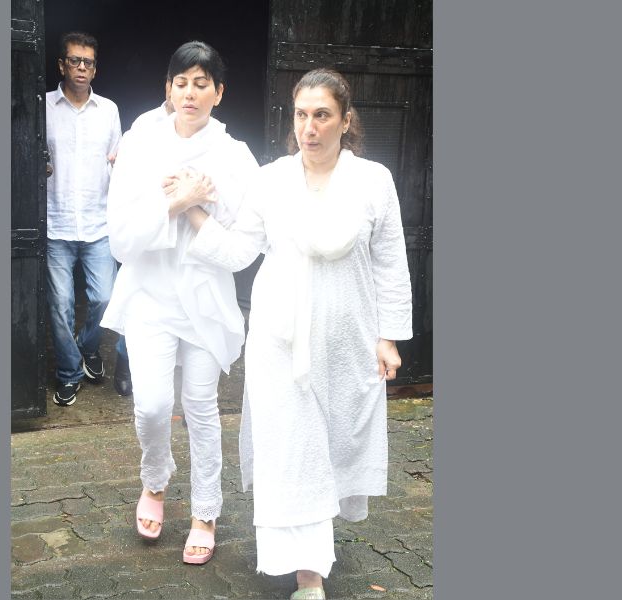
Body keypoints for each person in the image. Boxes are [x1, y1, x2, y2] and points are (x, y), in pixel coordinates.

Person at [179, 68, 413, 599]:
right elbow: (241, 250)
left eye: (322, 115)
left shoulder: (373, 181)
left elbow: (390, 261)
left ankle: (313, 553)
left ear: (345, 120)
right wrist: (192, 212)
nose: (309, 127)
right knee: (290, 447)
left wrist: (389, 337)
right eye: (302, 114)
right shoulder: (272, 180)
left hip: (347, 337)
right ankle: (308, 574)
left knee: (330, 445)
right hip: (278, 339)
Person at [100, 41, 259, 564]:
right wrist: (175, 200)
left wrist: (198, 207)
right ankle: (156, 478)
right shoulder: (140, 143)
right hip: (151, 295)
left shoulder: (235, 157)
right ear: (168, 89)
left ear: (219, 92)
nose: (190, 93)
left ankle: (205, 511)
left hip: (206, 299)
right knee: (151, 405)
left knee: (200, 406)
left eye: (201, 84)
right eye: (181, 83)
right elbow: (122, 238)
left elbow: (243, 243)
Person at [45, 31, 132, 406]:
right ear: (61, 65)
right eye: (74, 60)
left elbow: (119, 164)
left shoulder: (109, 111)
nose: (81, 67)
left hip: (98, 224)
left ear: (95, 69)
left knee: (105, 299)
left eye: (88, 62)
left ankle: (86, 346)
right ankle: (69, 371)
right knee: (61, 305)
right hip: (56, 223)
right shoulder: (43, 107)